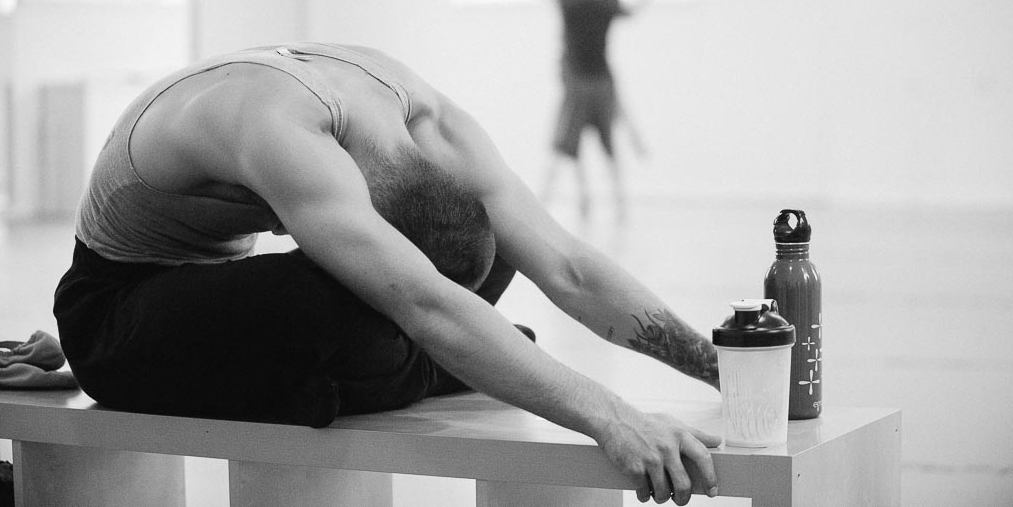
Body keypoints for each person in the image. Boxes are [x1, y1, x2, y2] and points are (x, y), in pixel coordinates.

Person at [54, 42, 720, 505]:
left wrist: (721, 366)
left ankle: (445, 350)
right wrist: (611, 415)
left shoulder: (430, 118)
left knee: (488, 256)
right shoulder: (286, 130)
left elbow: (569, 267)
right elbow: (423, 302)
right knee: (319, 304)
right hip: (114, 313)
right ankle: (443, 355)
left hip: (211, 297)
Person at [523, 0, 652, 220]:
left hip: (578, 84)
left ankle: (546, 207)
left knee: (564, 146)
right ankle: (619, 208)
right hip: (602, 83)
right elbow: (632, 9)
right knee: (607, 147)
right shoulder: (607, 2)